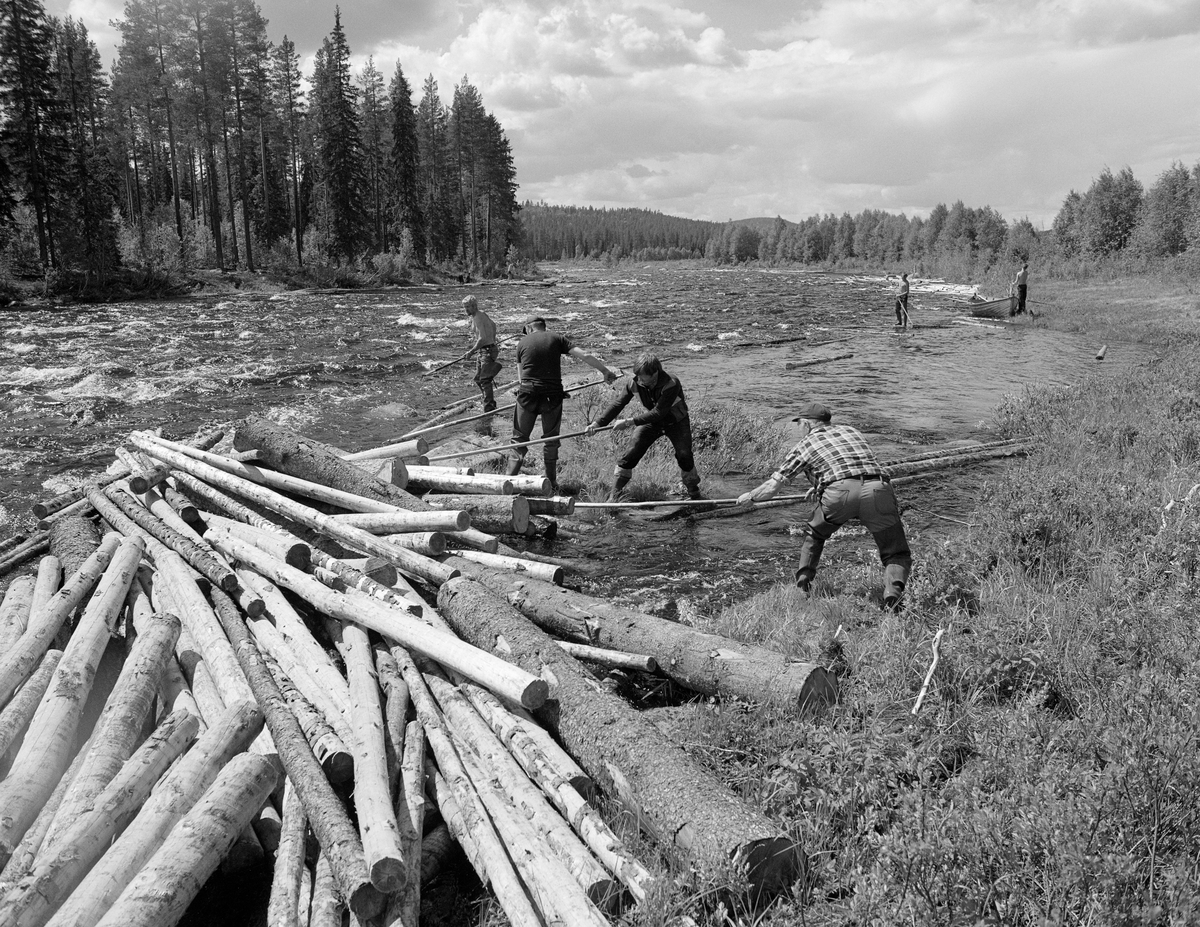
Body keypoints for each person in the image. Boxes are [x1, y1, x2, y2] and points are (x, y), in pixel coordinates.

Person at [737, 401, 911, 610]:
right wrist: (822, 486)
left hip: (840, 495)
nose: (798, 429)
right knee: (896, 553)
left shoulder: (805, 444)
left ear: (807, 425)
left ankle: (802, 588)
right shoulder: (850, 430)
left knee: (815, 535)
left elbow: (773, 488)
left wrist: (750, 497)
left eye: (799, 424)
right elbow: (854, 465)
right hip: (878, 489)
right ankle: (893, 597)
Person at [505, 317, 619, 490]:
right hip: (552, 396)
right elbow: (585, 355)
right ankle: (552, 483)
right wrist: (605, 371)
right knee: (551, 440)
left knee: (519, 439)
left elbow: (521, 379)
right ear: (544, 327)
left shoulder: (521, 343)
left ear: (528, 328)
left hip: (528, 394)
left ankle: (506, 482)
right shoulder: (557, 338)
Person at [586, 353, 703, 501]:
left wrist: (629, 422)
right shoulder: (633, 382)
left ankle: (694, 492)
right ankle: (613, 497)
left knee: (684, 456)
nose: (639, 380)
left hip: (677, 422)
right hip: (652, 422)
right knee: (631, 452)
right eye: (638, 376)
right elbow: (618, 404)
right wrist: (597, 424)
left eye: (643, 378)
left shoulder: (671, 383)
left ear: (655, 373)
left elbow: (659, 412)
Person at [462, 296, 501, 415]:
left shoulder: (478, 317)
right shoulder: (481, 314)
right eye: (465, 307)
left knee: (484, 380)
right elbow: (493, 325)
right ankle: (489, 402)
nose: (466, 310)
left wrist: (471, 351)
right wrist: (493, 339)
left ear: (474, 306)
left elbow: (482, 338)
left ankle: (489, 408)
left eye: (467, 307)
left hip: (487, 351)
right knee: (478, 379)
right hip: (487, 349)